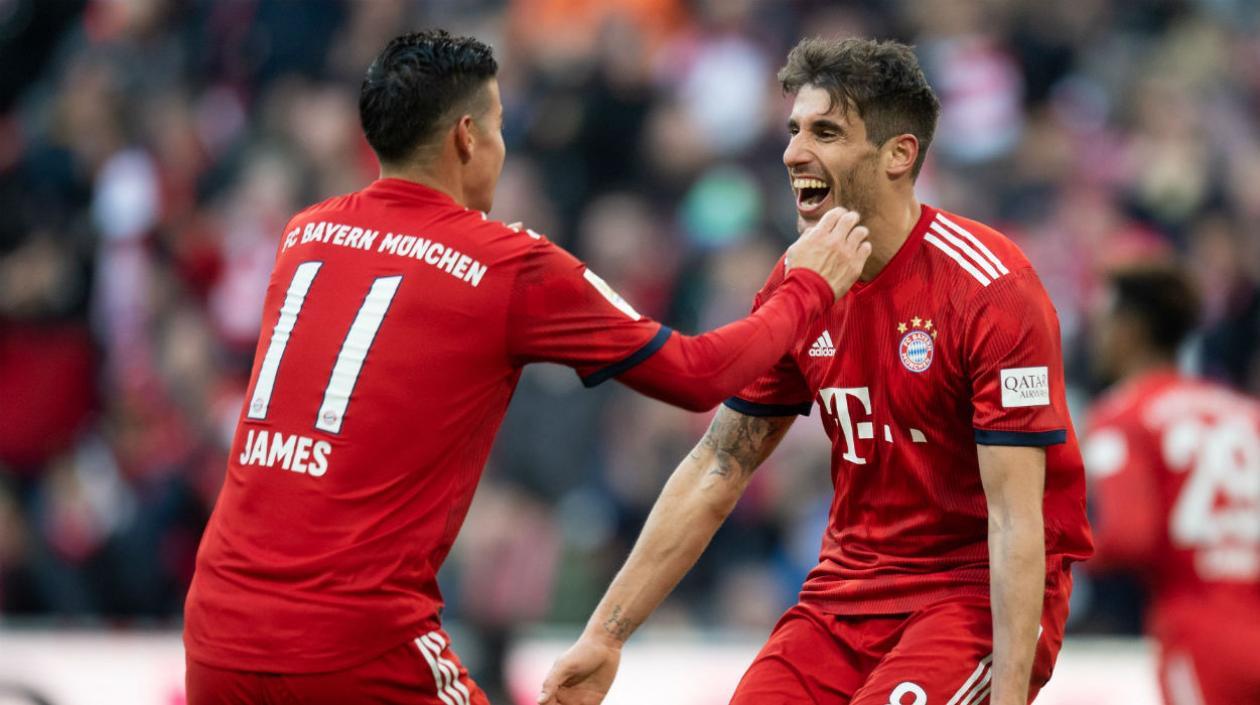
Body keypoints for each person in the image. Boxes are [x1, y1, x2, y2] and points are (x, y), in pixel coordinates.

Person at [182, 30, 874, 705]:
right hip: (353, 641)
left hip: (215, 629)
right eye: (500, 126)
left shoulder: (304, 233)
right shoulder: (504, 264)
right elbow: (695, 373)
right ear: (466, 137)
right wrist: (808, 287)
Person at [540, 37, 1093, 705]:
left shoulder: (990, 286)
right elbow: (720, 463)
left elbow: (1015, 516)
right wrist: (606, 634)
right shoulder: (800, 283)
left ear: (899, 154)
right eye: (793, 129)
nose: (793, 151)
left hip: (969, 595)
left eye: (824, 131)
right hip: (845, 593)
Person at [1083, 264, 1260, 705]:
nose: (1099, 336)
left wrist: (1050, 547)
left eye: (1105, 321)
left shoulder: (1124, 415)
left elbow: (1127, 538)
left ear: (1131, 329)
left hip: (1200, 633)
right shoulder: (1242, 412)